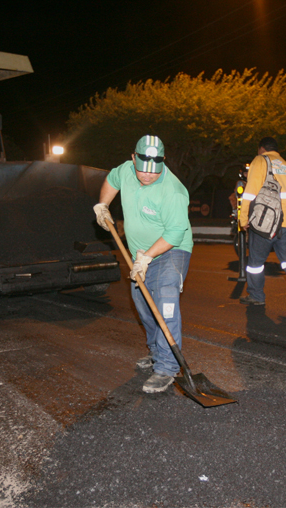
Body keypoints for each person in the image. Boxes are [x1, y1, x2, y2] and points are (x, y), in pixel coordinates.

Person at [93, 135, 194, 393]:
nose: (147, 176)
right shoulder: (126, 171)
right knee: (143, 305)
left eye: (153, 172)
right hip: (138, 253)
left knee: (165, 304)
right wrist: (103, 204)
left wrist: (147, 258)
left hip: (171, 251)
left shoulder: (173, 191)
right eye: (141, 170)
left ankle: (167, 368)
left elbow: (174, 233)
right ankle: (156, 350)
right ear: (133, 158)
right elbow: (111, 181)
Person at [238, 137, 286, 313]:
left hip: (265, 223)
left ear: (262, 149)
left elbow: (250, 193)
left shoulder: (260, 160)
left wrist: (243, 219)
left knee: (255, 262)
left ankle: (256, 296)